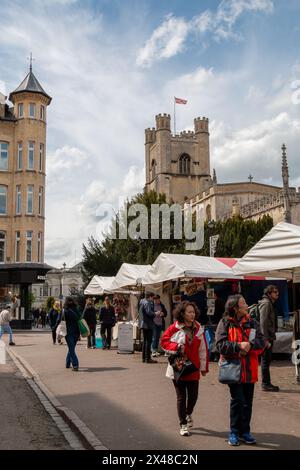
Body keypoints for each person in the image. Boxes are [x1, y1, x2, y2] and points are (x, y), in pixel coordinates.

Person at [215, 294, 266, 446]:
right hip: (233, 369)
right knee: (238, 401)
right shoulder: (225, 323)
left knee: (247, 402)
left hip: (250, 370)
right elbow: (219, 345)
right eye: (243, 303)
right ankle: (234, 432)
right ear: (235, 307)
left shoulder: (253, 322)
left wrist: (250, 346)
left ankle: (245, 432)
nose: (246, 304)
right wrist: (238, 346)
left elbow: (262, 342)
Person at [160, 301, 209, 436]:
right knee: (181, 397)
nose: (192, 314)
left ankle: (188, 414)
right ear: (182, 313)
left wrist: (204, 367)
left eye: (193, 312)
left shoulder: (199, 329)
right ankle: (183, 424)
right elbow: (163, 342)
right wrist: (176, 347)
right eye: (189, 312)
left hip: (193, 368)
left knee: (193, 397)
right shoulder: (174, 328)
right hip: (178, 368)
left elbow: (203, 349)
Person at [259, 285, 280, 392]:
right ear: (269, 293)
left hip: (268, 336)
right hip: (266, 338)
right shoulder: (266, 304)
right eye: (274, 292)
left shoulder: (269, 303)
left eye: (277, 291)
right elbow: (263, 323)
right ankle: (265, 384)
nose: (277, 293)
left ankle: (266, 383)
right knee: (265, 360)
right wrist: (265, 339)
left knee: (267, 360)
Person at [64, 297, 81, 371]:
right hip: (76, 332)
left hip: (68, 332)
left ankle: (75, 364)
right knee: (71, 348)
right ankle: (67, 363)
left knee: (71, 349)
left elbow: (59, 320)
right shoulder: (76, 310)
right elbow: (80, 318)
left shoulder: (65, 311)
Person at [139, 292, 157, 364]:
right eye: (152, 297)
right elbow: (149, 313)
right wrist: (156, 313)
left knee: (145, 341)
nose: (153, 299)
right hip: (147, 324)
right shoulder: (147, 303)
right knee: (148, 341)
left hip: (143, 324)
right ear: (149, 297)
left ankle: (144, 358)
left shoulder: (142, 301)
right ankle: (147, 358)